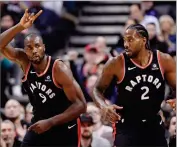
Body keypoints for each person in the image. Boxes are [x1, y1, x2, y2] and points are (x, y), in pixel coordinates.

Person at [0, 9, 86, 147]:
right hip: (40, 121)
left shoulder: (59, 69)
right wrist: (20, 26)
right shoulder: (24, 61)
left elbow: (81, 105)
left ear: (44, 47)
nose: (34, 50)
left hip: (65, 125)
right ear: (25, 51)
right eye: (29, 47)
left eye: (37, 46)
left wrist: (51, 122)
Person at [92, 24, 176, 146]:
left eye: (130, 40)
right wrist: (103, 106)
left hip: (154, 124)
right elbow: (97, 89)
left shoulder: (163, 60)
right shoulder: (116, 63)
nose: (126, 44)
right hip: (126, 127)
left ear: (143, 40)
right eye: (124, 40)